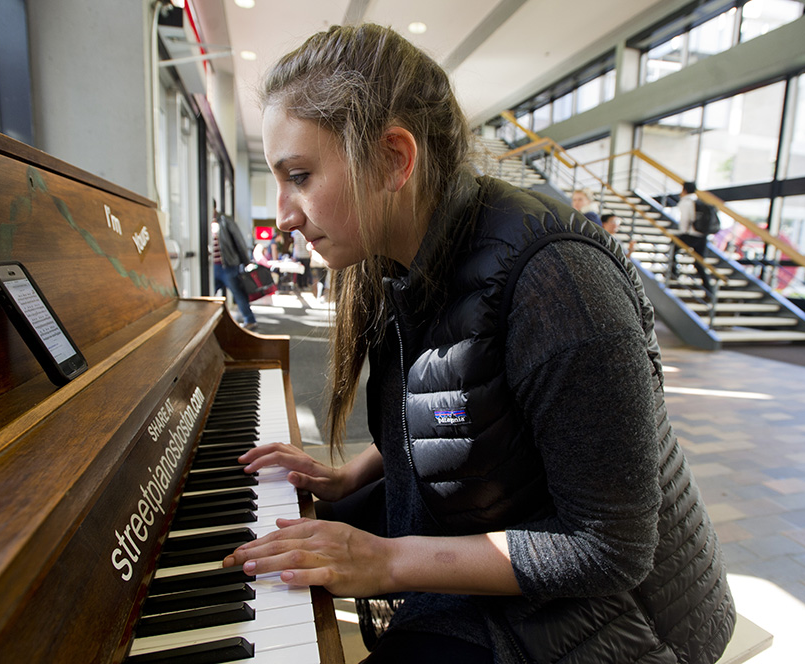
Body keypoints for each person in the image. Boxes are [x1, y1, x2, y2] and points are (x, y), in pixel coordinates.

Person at [223, 24, 734, 664]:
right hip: (505, 549)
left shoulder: (558, 281)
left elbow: (612, 548)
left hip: (630, 622)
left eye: (299, 175)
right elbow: (462, 406)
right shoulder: (398, 260)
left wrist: (386, 560)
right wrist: (351, 476)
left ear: (393, 159)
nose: (285, 213)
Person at [211, 202, 257, 330]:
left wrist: (246, 262)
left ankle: (250, 320)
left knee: (238, 293)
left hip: (229, 266)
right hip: (212, 268)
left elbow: (238, 240)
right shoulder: (204, 222)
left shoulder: (225, 220)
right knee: (208, 295)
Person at [669, 181, 713, 296]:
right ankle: (709, 290)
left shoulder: (686, 202)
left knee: (673, 246)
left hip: (690, 234)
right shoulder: (698, 201)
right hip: (702, 236)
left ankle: (674, 272)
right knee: (699, 263)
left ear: (685, 190)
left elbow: (685, 220)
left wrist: (682, 233)